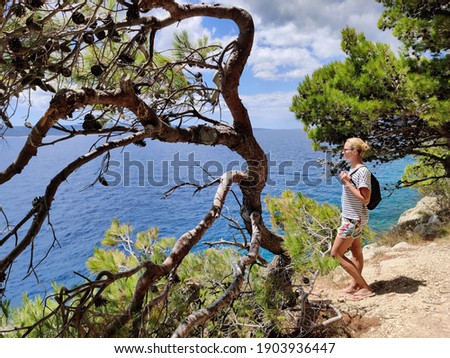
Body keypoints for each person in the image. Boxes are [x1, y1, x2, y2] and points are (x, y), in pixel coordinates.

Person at [331, 138, 375, 300]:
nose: (343, 152)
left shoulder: (362, 171)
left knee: (335, 254)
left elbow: (365, 199)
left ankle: (365, 288)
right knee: (356, 251)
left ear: (355, 152)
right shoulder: (353, 169)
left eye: (346, 149)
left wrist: (347, 183)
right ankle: (355, 284)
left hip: (353, 220)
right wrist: (347, 180)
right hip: (353, 218)